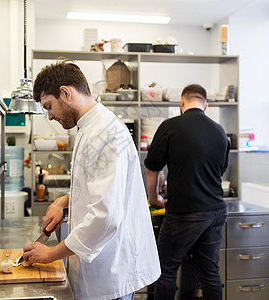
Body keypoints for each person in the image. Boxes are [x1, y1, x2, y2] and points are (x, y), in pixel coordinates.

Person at [22, 60, 161, 300]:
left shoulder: (105, 133)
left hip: (111, 272)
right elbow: (96, 188)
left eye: (49, 106)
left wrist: (53, 253)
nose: (50, 116)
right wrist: (63, 203)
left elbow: (105, 216)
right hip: (100, 268)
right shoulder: (90, 127)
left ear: (65, 93)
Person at [144, 84, 229, 299]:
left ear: (181, 102)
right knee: (210, 271)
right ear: (205, 105)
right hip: (216, 211)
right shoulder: (220, 132)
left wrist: (154, 198)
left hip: (184, 212)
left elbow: (152, 169)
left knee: (166, 269)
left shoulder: (170, 126)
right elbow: (220, 171)